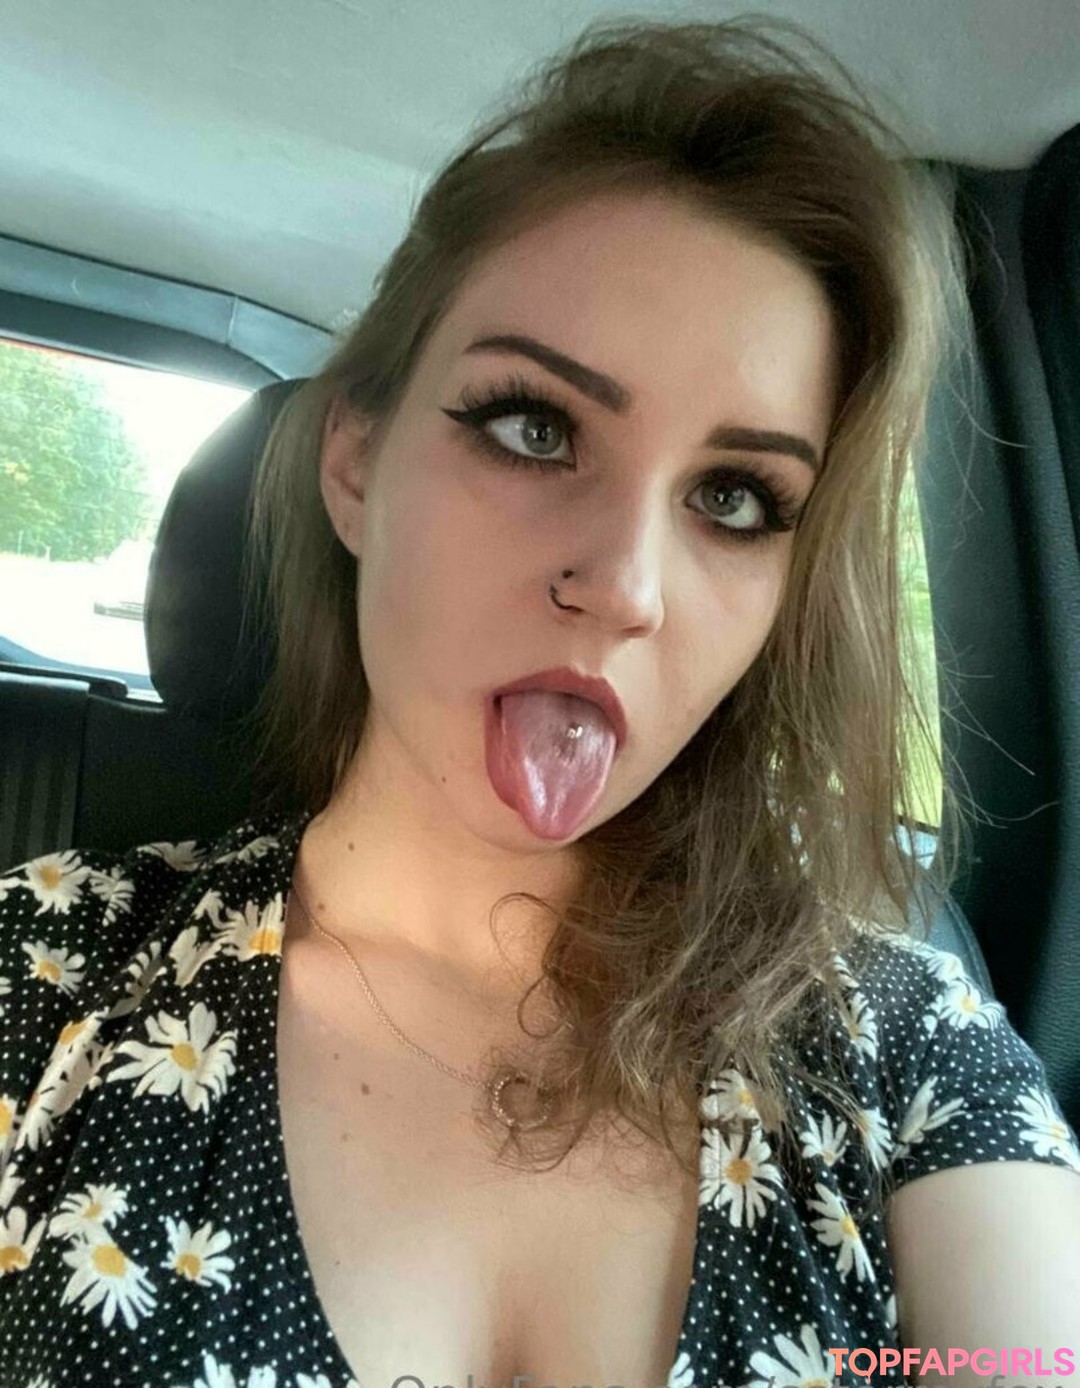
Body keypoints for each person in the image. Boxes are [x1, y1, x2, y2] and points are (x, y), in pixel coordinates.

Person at [2, 15, 1079, 1388]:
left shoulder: (904, 1044)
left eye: (735, 497)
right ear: (356, 464)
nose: (626, 587)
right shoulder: (42, 979)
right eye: (533, 426)